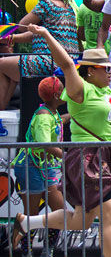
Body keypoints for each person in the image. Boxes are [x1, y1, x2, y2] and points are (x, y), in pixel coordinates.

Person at [12, 25, 111, 257]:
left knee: (82, 221)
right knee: (109, 216)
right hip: (88, 160)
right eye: (105, 67)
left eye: (110, 66)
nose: (110, 71)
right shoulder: (81, 90)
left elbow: (104, 125)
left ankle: (28, 222)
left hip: (101, 156)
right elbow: (68, 64)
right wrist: (46, 34)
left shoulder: (105, 92)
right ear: (89, 71)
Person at [0, 0, 78, 109]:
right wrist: (11, 38)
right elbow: (39, 34)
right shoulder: (68, 8)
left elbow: (22, 26)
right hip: (69, 62)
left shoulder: (46, 5)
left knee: (1, 64)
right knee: (11, 70)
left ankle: (1, 109)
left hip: (47, 61)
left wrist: (9, 32)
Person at [11, 76, 66, 254]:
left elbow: (58, 122)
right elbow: (45, 144)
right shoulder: (43, 116)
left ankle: (47, 250)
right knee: (32, 213)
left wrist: (76, 114)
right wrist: (66, 156)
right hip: (31, 167)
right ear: (57, 95)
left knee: (60, 210)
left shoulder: (51, 112)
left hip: (47, 168)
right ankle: (26, 251)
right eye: (63, 90)